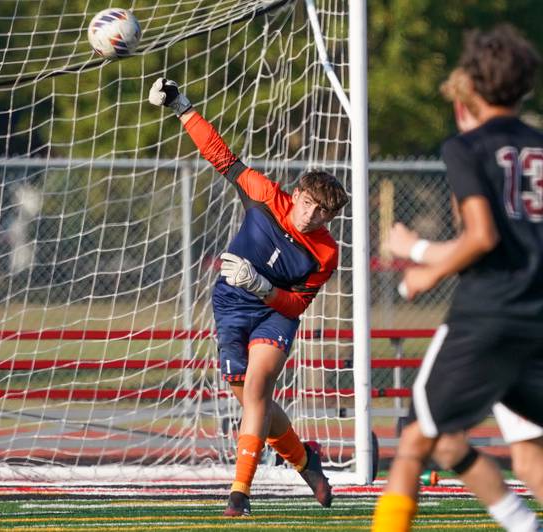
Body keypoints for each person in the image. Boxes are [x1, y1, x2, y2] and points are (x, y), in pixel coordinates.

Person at [149, 78, 348, 516]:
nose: (315, 216)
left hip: (274, 314)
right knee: (249, 397)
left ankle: (239, 493)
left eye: (326, 213)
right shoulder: (263, 194)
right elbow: (220, 155)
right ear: (296, 195)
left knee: (258, 387)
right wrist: (182, 106)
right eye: (311, 205)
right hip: (231, 304)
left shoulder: (327, 252)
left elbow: (296, 305)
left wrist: (262, 287)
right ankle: (305, 460)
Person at [372, 24, 543, 532]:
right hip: (537, 318)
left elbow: (481, 235)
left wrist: (418, 258)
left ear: (471, 85)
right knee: (526, 452)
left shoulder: (467, 147)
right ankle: (522, 524)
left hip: (487, 317)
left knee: (414, 445)